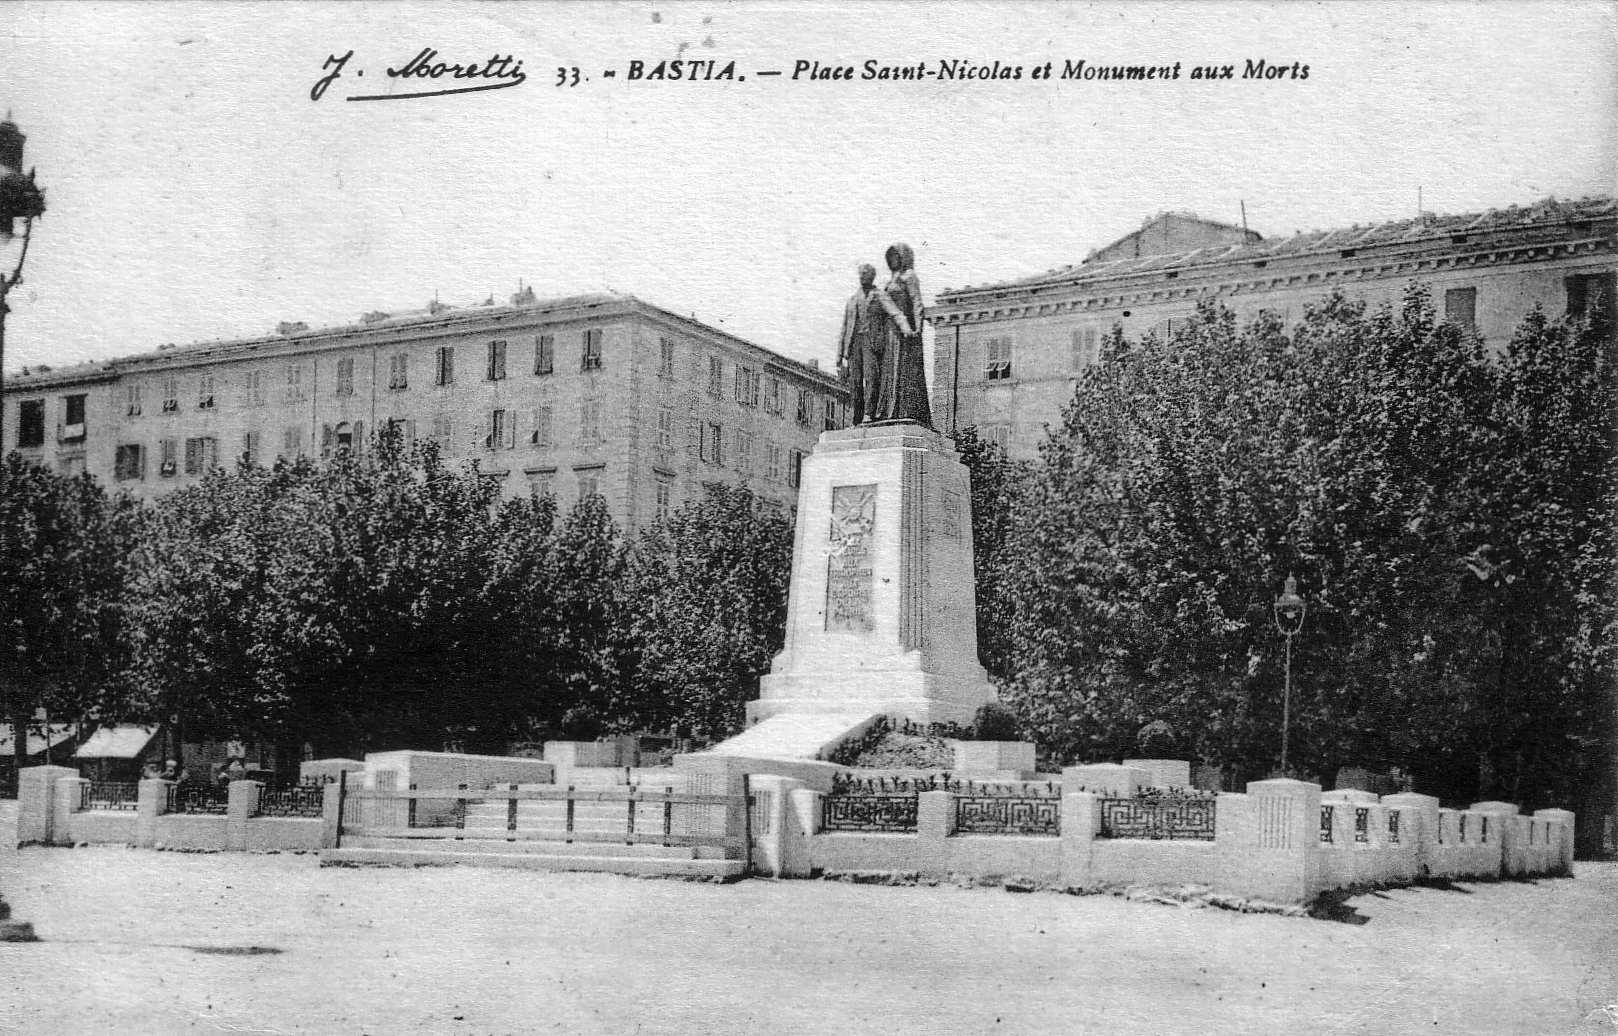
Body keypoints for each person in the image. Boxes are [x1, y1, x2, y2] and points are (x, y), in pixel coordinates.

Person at [872, 242, 934, 428]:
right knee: (889, 370)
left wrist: (918, 329)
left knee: (904, 370)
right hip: (890, 330)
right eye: (890, 257)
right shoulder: (890, 281)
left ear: (903, 257)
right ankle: (887, 410)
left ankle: (905, 410)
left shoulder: (909, 276)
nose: (892, 260)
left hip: (906, 334)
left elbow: (917, 302)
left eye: (895, 256)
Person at [837, 264, 885, 424]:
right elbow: (844, 328)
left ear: (872, 276)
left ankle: (869, 412)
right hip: (853, 343)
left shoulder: (879, 295)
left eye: (866, 274)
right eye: (861, 274)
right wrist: (839, 355)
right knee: (855, 381)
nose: (863, 276)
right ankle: (857, 416)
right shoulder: (852, 300)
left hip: (870, 342)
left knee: (871, 377)